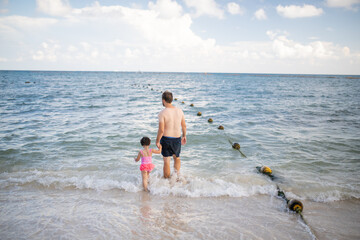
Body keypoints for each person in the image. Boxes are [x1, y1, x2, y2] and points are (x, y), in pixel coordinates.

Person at [156, 91, 186, 179]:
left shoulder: (162, 113)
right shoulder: (179, 111)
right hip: (177, 138)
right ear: (171, 100)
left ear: (163, 100)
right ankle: (176, 178)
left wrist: (157, 141)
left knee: (166, 161)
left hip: (166, 139)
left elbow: (161, 130)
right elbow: (183, 125)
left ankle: (167, 182)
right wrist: (184, 135)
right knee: (177, 158)